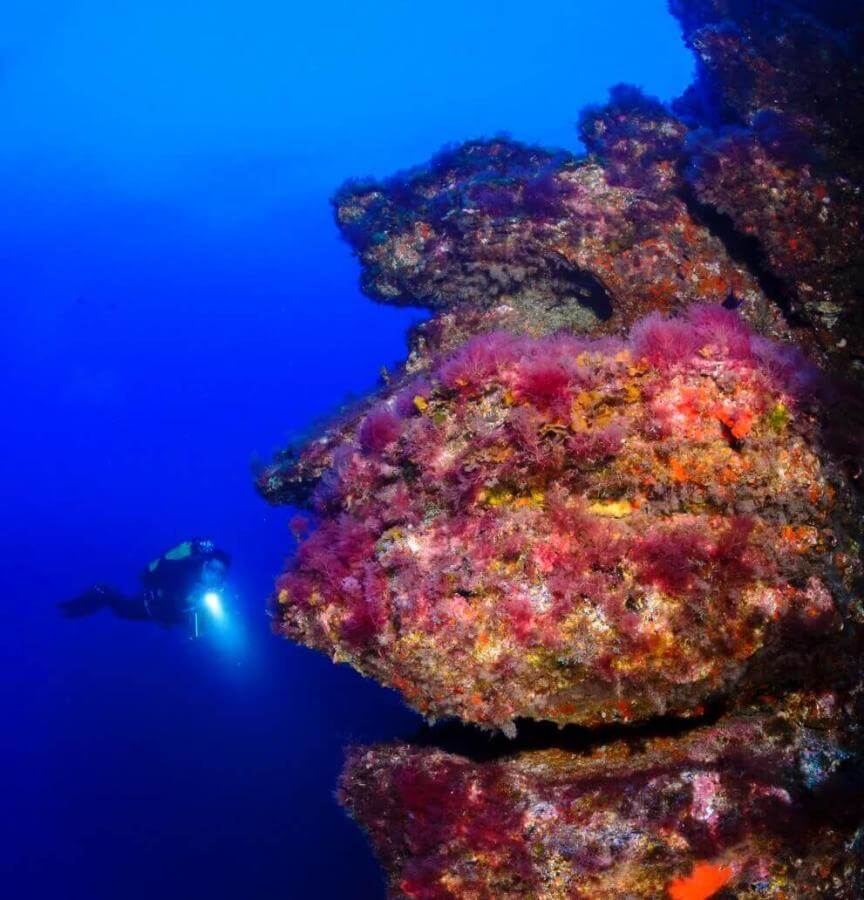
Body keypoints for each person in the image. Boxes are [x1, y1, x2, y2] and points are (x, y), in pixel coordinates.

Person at [60, 538, 230, 637]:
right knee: (121, 610)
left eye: (219, 573)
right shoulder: (184, 572)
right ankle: (99, 592)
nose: (213, 576)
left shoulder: (214, 593)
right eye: (212, 569)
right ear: (204, 565)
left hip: (163, 619)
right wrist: (194, 546)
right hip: (147, 605)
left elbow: (197, 620)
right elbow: (168, 559)